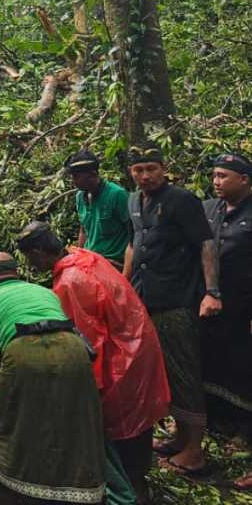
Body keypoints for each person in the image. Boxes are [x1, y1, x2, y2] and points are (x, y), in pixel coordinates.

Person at [18, 222, 170, 504]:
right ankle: (138, 481)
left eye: (29, 258)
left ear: (38, 252)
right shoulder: (87, 257)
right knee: (136, 422)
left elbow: (88, 343)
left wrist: (86, 390)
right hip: (137, 346)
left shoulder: (71, 282)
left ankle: (131, 490)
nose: (31, 264)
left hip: (121, 357)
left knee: (120, 425)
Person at [0, 252, 105, 505]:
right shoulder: (44, 291)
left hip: (22, 349)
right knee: (76, 417)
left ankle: (22, 491)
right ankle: (81, 491)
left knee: (17, 420)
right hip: (73, 347)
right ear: (16, 272)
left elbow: (1, 369)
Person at [124, 146, 221, 476]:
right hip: (145, 298)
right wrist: (124, 287)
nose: (145, 175)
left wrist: (211, 292)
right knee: (164, 373)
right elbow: (132, 244)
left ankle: (194, 451)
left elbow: (206, 244)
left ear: (164, 169)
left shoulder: (182, 200)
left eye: (151, 168)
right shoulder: (133, 201)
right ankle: (180, 437)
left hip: (177, 300)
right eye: (138, 170)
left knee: (184, 372)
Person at [202, 154, 252, 491]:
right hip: (214, 304)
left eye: (224, 175)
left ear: (245, 180)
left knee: (246, 368)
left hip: (244, 307)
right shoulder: (209, 209)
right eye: (214, 176)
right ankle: (222, 422)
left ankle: (246, 433)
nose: (217, 181)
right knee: (218, 366)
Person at [64, 149, 132, 268]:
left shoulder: (116, 195)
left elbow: (133, 234)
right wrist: (79, 255)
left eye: (76, 177)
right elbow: (84, 230)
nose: (73, 181)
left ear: (92, 174)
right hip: (90, 262)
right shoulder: (80, 196)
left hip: (113, 263)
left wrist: (126, 273)